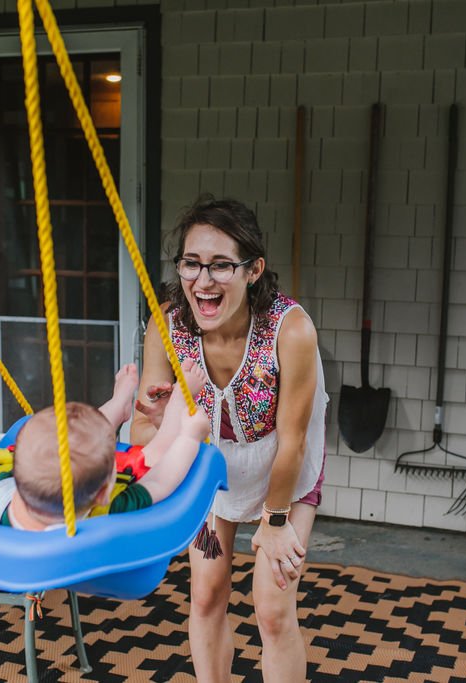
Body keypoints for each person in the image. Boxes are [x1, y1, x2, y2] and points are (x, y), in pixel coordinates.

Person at [131, 197, 328, 681]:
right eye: (191, 264)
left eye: (221, 266)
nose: (203, 280)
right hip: (211, 466)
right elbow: (141, 433)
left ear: (253, 269)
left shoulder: (291, 330)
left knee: (272, 607)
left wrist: (276, 520)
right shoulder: (167, 327)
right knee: (205, 595)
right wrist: (160, 418)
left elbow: (294, 441)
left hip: (284, 468)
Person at [0, 359, 209, 530]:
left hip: (13, 566)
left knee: (80, 435)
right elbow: (162, 479)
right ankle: (168, 402)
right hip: (97, 567)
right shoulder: (105, 510)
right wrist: (189, 436)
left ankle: (117, 406)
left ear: (17, 477)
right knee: (154, 453)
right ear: (103, 492)